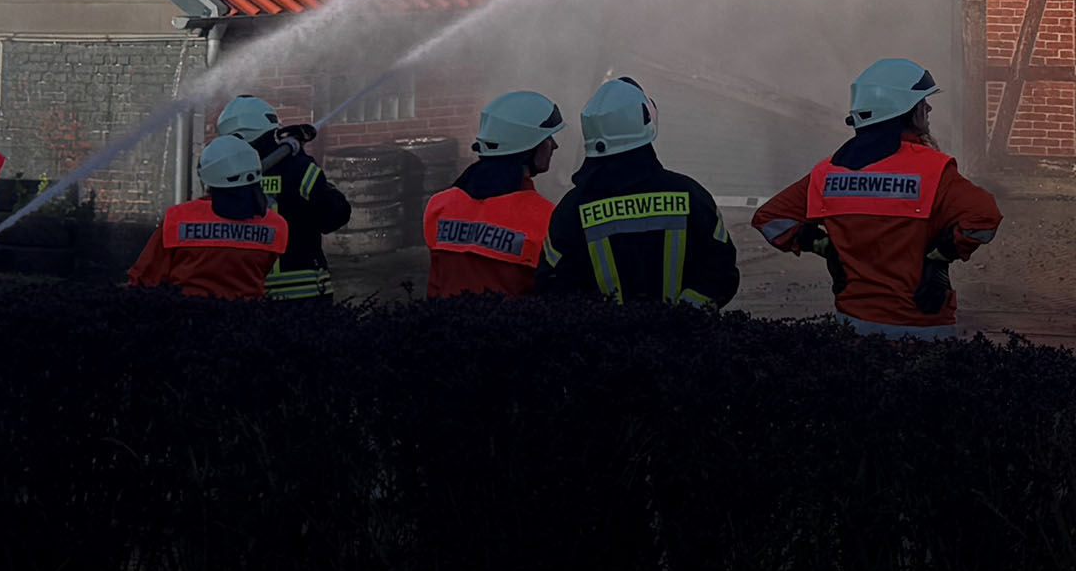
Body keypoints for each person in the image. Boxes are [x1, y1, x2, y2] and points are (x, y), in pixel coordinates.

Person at [752, 58, 1002, 340]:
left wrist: (824, 246)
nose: (928, 109)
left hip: (853, 325)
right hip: (923, 326)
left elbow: (769, 218)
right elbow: (984, 219)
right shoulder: (933, 169)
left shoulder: (827, 172)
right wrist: (940, 254)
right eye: (922, 103)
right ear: (904, 111)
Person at [537, 76, 739, 308]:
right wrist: (685, 315)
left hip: (599, 332)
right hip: (684, 331)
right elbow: (721, 270)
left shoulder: (572, 210)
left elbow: (552, 285)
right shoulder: (691, 197)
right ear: (644, 123)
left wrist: (598, 322)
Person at [423, 91, 561, 297]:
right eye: (548, 138)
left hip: (445, 317)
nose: (555, 146)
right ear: (530, 146)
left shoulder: (439, 205)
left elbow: (435, 284)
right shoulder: (546, 217)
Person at [217, 95, 351, 302]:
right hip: (302, 292)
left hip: (244, 295)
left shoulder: (221, 177)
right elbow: (336, 214)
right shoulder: (298, 169)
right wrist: (299, 156)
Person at [128, 134, 288, 300]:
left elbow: (145, 277)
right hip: (246, 313)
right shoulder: (276, 225)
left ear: (207, 176)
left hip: (187, 312)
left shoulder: (178, 218)